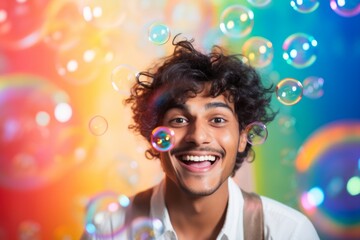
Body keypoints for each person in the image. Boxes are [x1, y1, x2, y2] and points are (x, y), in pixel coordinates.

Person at [82, 35, 320, 239]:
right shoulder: (109, 230)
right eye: (179, 120)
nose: (198, 136)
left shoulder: (289, 233)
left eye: (217, 119)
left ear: (243, 137)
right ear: (154, 136)